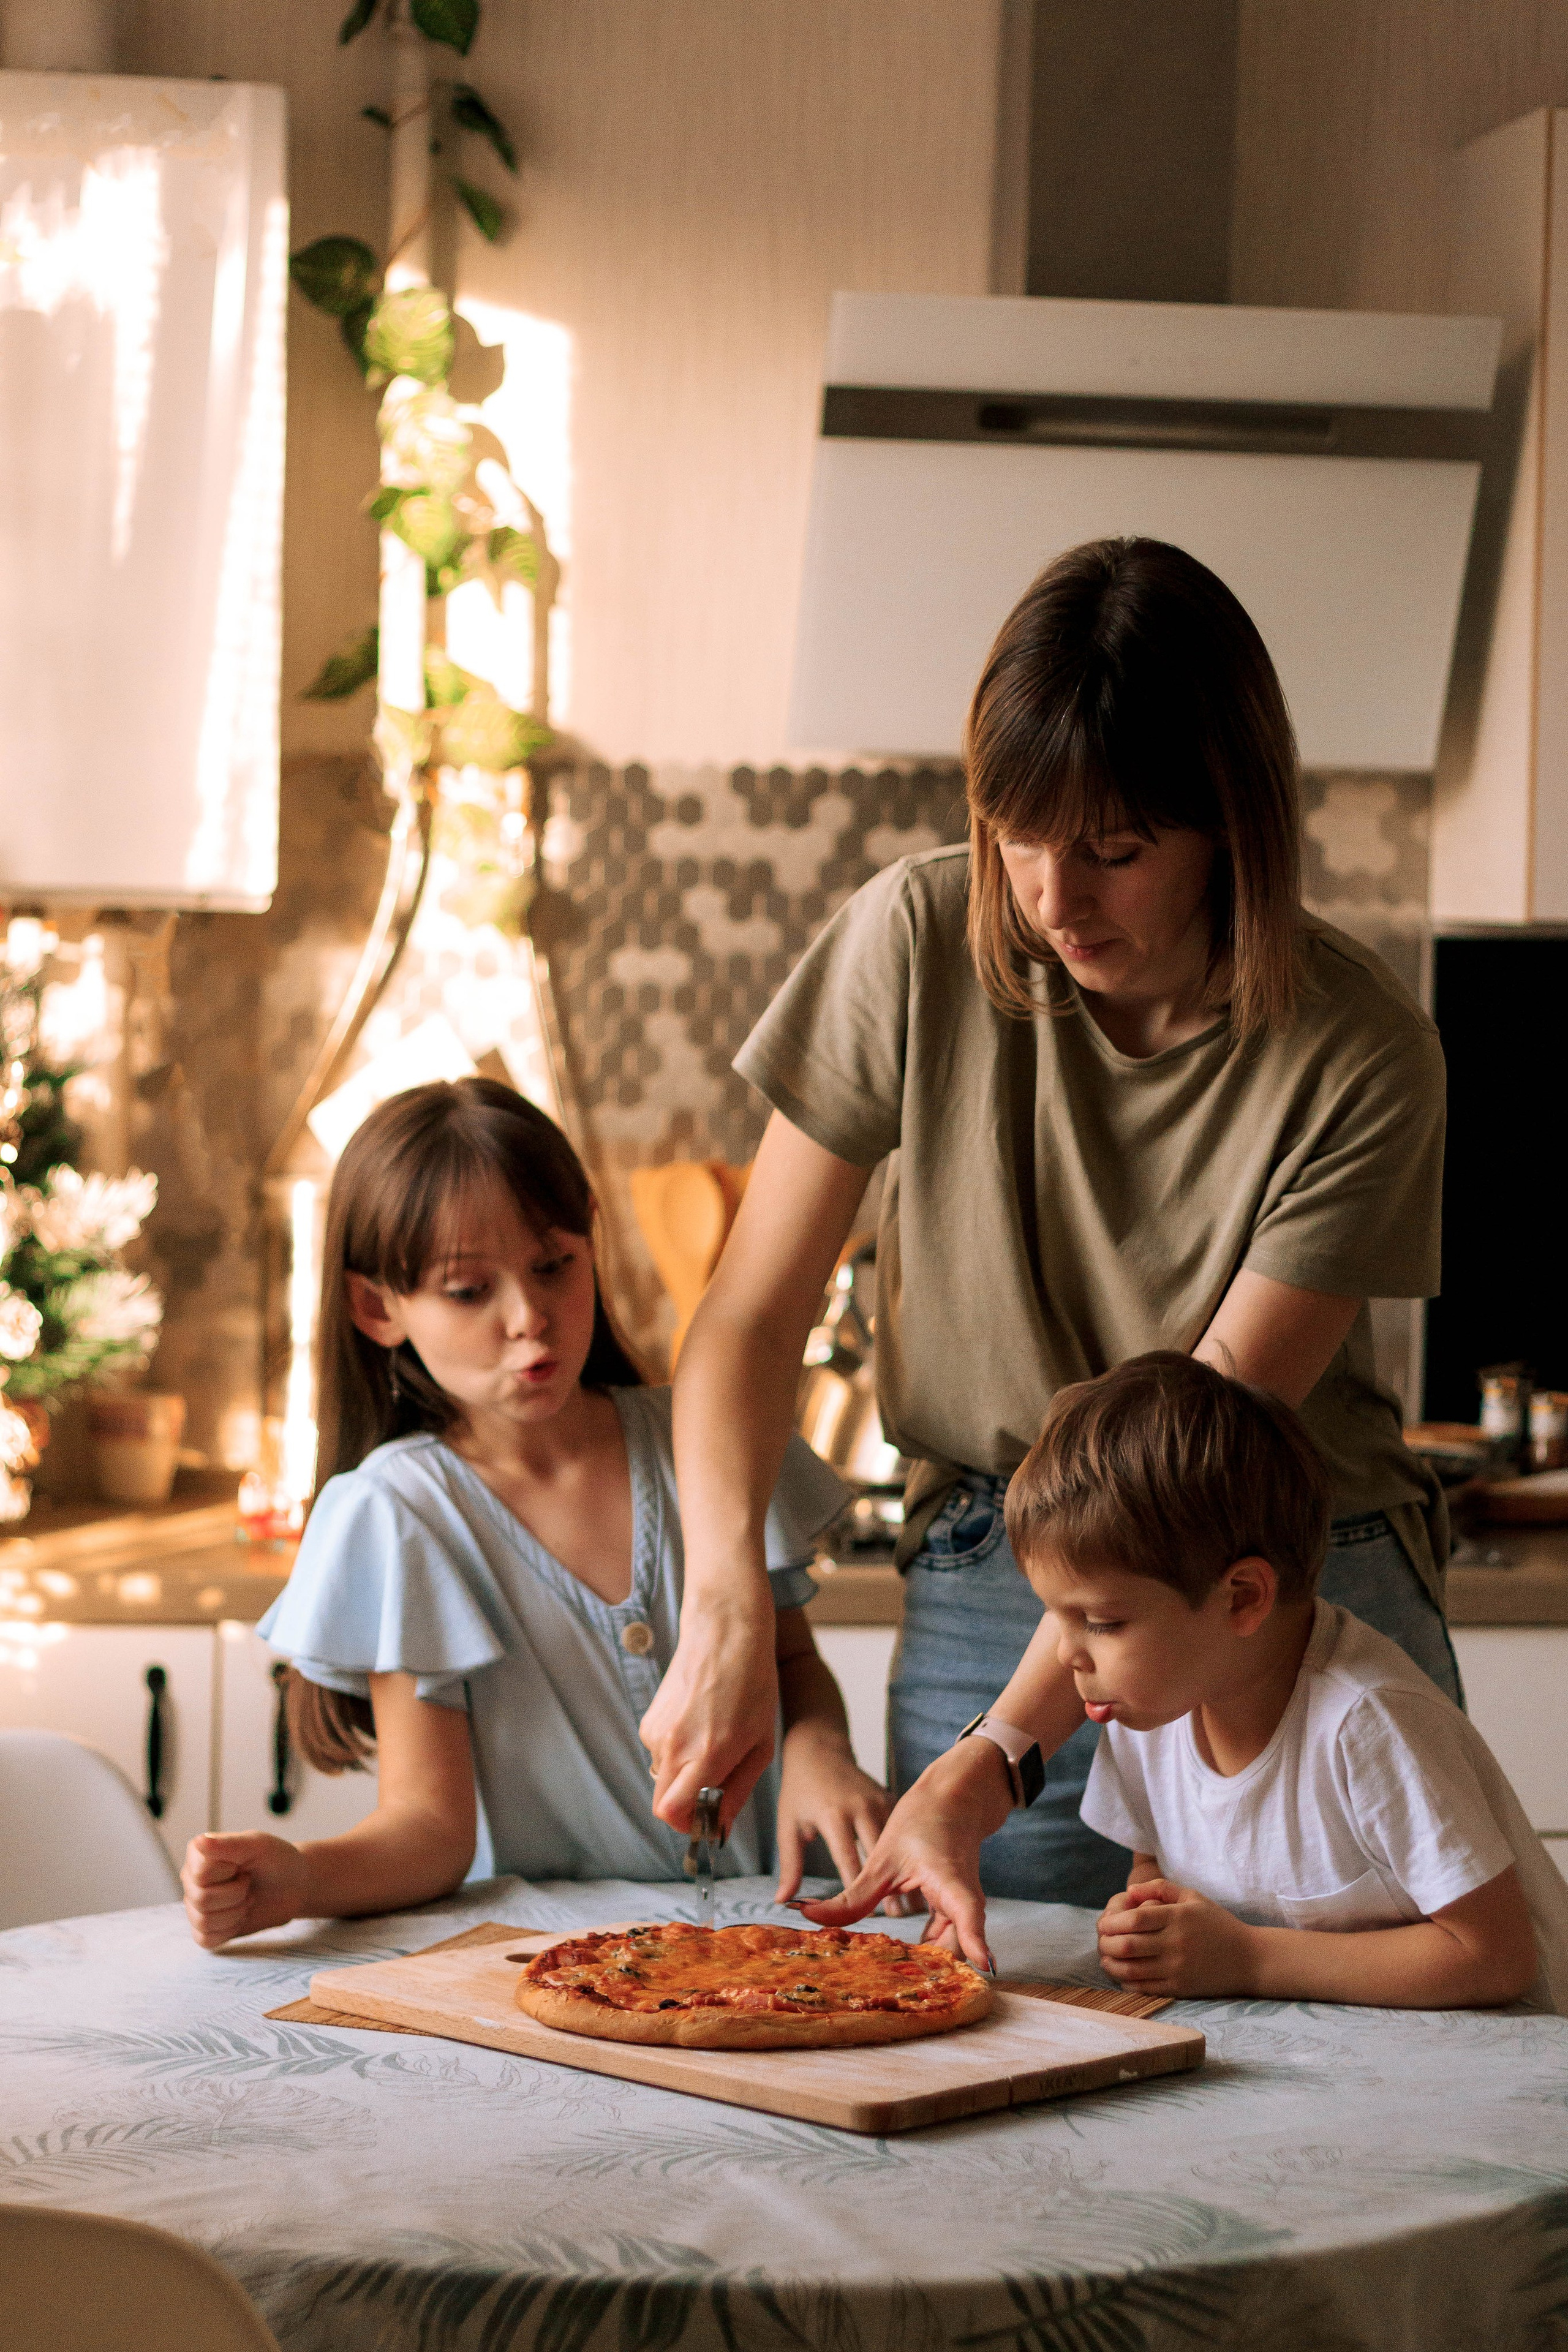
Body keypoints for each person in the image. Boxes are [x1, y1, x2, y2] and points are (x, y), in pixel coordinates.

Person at [641, 534, 1454, 1928]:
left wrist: (995, 1754)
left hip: (1285, 1587)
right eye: (1016, 834)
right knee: (988, 2034)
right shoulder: (909, 940)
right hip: (989, 1566)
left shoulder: (1360, 1051)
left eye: (1113, 850)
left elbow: (1183, 1453)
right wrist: (724, 1597)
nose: (1050, 897)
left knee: (1364, 2068)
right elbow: (746, 1317)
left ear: (1227, 831)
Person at [181, 1079, 887, 1950]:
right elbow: (429, 1830)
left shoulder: (704, 1435)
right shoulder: (401, 1516)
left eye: (555, 1265)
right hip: (556, 1969)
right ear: (378, 1308)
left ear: (592, 1236)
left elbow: (788, 1663)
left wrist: (820, 1752)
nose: (531, 1320)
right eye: (469, 1291)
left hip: (781, 1940)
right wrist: (301, 1877)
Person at [998, 1352, 1568, 2010]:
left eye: (1099, 1621)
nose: (1065, 1655)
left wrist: (1247, 1957)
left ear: (1242, 1597)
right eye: (1054, 1616)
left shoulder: (1367, 1721)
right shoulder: (1149, 1702)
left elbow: (1494, 1959)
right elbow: (1158, 1860)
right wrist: (1152, 1919)